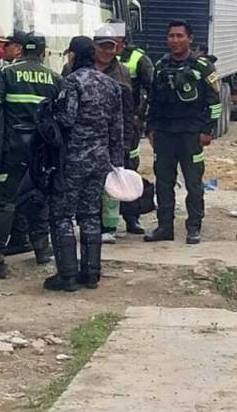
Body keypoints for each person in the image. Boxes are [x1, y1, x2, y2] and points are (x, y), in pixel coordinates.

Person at [0, 31, 62, 279]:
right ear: (43, 53)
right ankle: (42, 251)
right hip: (42, 151)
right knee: (39, 197)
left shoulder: (7, 72)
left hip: (12, 148)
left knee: (5, 201)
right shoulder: (55, 78)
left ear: (22, 50)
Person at [46, 36, 125, 291]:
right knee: (91, 215)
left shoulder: (72, 82)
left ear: (74, 56)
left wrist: (49, 111)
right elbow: (117, 127)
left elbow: (67, 119)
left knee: (61, 215)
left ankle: (67, 275)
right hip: (100, 160)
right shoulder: (111, 85)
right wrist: (117, 163)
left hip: (73, 159)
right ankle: (91, 273)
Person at [145, 20, 221, 244]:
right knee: (163, 183)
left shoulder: (202, 67)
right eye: (171, 36)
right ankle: (164, 227)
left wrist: (207, 130)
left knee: (194, 184)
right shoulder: (160, 65)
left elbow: (214, 102)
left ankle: (194, 227)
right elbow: (153, 100)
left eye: (179, 36)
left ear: (190, 39)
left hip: (191, 134)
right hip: (165, 134)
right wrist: (150, 127)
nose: (175, 40)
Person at [93, 24, 136, 244]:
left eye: (111, 47)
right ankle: (89, 224)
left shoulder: (122, 73)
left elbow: (128, 111)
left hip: (112, 138)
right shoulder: (79, 68)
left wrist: (127, 141)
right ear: (95, 47)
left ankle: (108, 227)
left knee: (111, 184)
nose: (108, 51)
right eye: (103, 47)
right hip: (86, 140)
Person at [117, 29, 155, 235]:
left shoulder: (139, 59)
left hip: (128, 125)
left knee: (129, 171)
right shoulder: (98, 55)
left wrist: (141, 116)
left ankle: (132, 218)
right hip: (103, 125)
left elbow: (151, 90)